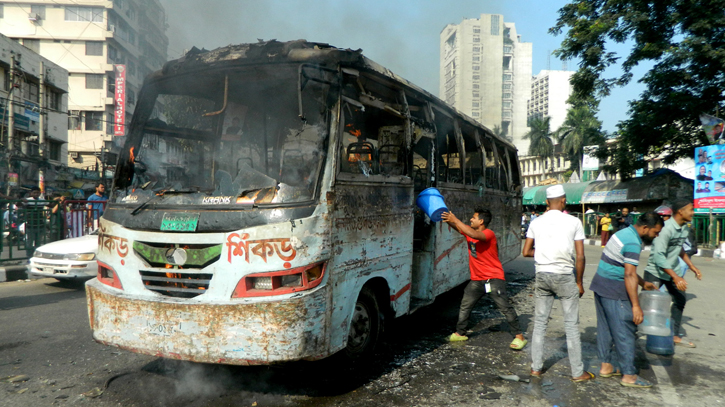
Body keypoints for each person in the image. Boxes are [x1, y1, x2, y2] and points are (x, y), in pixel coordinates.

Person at [522, 185, 593, 382]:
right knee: (571, 326)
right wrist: (579, 282)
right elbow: (580, 256)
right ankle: (578, 372)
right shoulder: (574, 221)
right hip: (564, 276)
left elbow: (526, 252)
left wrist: (545, 254)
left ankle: (536, 368)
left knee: (540, 324)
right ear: (563, 201)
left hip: (542, 275)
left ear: (547, 202)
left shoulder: (536, 222)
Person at [591, 212, 663, 388]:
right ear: (645, 228)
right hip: (614, 290)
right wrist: (636, 306)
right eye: (655, 232)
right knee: (625, 330)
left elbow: (622, 266)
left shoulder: (623, 233)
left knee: (606, 328)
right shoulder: (633, 242)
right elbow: (628, 274)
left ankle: (606, 366)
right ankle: (629, 375)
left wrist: (642, 282)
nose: (656, 236)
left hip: (600, 285)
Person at [443, 209, 527, 350]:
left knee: (504, 307)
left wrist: (456, 219)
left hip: (493, 278)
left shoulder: (488, 233)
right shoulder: (470, 232)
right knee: (465, 305)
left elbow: (472, 233)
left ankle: (519, 336)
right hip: (477, 279)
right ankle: (460, 333)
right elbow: (460, 228)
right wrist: (447, 219)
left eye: (473, 217)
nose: (470, 219)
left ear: (481, 221)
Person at [644, 199, 702, 348]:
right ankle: (633, 332)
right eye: (691, 209)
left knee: (680, 300)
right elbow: (659, 257)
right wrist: (676, 277)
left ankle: (674, 335)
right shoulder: (665, 229)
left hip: (672, 271)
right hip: (655, 272)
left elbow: (679, 248)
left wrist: (692, 266)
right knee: (646, 304)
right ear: (680, 211)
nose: (693, 212)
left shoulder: (684, 228)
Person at [22, 187, 46, 257]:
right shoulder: (27, 200)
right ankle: (29, 257)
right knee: (29, 243)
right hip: (30, 225)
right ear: (31, 193)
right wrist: (21, 200)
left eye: (38, 192)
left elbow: (50, 205)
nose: (36, 194)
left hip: (40, 224)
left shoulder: (42, 200)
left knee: (38, 243)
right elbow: (19, 204)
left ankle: (36, 256)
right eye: (34, 192)